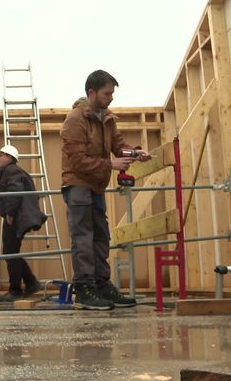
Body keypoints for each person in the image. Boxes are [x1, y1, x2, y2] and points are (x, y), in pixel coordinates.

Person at [60, 70, 151, 310]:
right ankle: (84, 289)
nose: (111, 98)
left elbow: (117, 145)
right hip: (78, 185)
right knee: (83, 238)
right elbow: (77, 161)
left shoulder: (107, 118)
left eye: (112, 93)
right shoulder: (75, 119)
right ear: (91, 92)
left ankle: (101, 285)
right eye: (107, 93)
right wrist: (111, 164)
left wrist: (135, 153)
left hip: (96, 186)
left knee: (101, 237)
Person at [0, 144, 46, 302]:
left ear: (9, 158)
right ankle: (31, 283)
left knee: (10, 253)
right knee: (12, 252)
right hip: (18, 215)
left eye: (1, 155)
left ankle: (16, 290)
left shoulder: (11, 171)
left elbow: (14, 192)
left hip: (16, 217)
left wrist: (10, 213)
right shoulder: (14, 171)